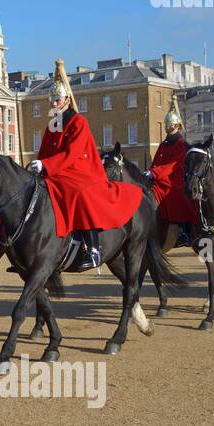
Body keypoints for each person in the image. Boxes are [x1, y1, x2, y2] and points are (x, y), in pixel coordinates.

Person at [30, 59, 143, 270]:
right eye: (51, 101)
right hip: (58, 171)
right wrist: (37, 166)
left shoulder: (78, 122)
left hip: (82, 171)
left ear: (66, 100)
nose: (53, 104)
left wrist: (47, 165)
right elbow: (45, 151)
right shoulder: (53, 125)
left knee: (78, 193)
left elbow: (72, 153)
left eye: (57, 100)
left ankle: (93, 248)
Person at [146, 102, 198, 246]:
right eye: (167, 125)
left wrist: (154, 173)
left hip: (173, 179)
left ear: (176, 126)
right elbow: (156, 161)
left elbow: (172, 166)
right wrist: (150, 172)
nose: (167, 127)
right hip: (160, 177)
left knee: (175, 195)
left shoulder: (181, 143)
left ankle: (182, 230)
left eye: (170, 125)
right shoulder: (164, 143)